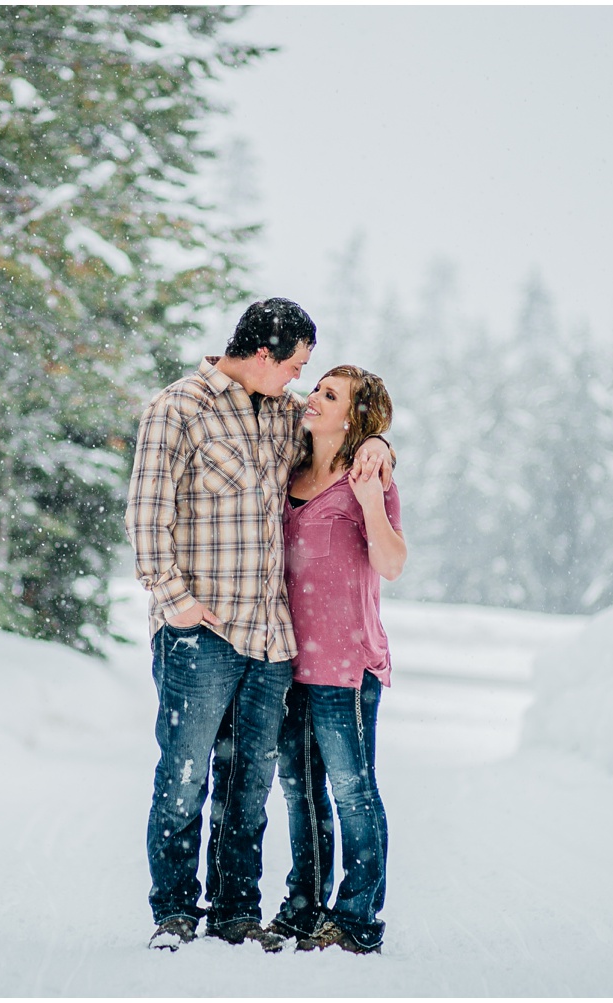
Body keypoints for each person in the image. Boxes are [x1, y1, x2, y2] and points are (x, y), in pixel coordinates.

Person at [125, 300, 394, 953]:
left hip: (270, 639)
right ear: (268, 354)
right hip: (199, 630)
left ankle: (236, 909)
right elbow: (145, 513)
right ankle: (175, 910)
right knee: (186, 772)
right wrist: (174, 598)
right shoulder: (178, 407)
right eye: (298, 363)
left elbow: (347, 427)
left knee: (249, 781)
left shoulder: (281, 410)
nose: (302, 378)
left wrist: (381, 440)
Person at [267, 365, 406, 955]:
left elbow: (393, 563)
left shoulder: (368, 477)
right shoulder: (288, 465)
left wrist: (372, 498)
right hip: (284, 663)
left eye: (329, 394)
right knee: (300, 792)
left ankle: (356, 919)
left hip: (345, 666)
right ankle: (304, 906)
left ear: (353, 416)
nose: (312, 398)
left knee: (353, 792)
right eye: (316, 387)